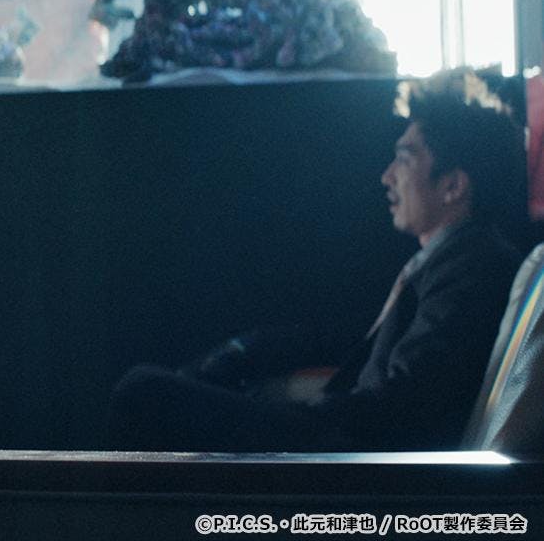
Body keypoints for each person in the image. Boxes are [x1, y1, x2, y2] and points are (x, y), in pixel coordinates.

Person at [108, 70, 525, 452]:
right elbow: (360, 352)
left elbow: (402, 403)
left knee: (143, 391)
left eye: (405, 159)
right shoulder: (453, 259)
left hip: (359, 464)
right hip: (346, 444)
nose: (387, 176)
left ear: (453, 186)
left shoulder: (472, 267)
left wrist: (293, 416)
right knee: (185, 383)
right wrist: (252, 356)